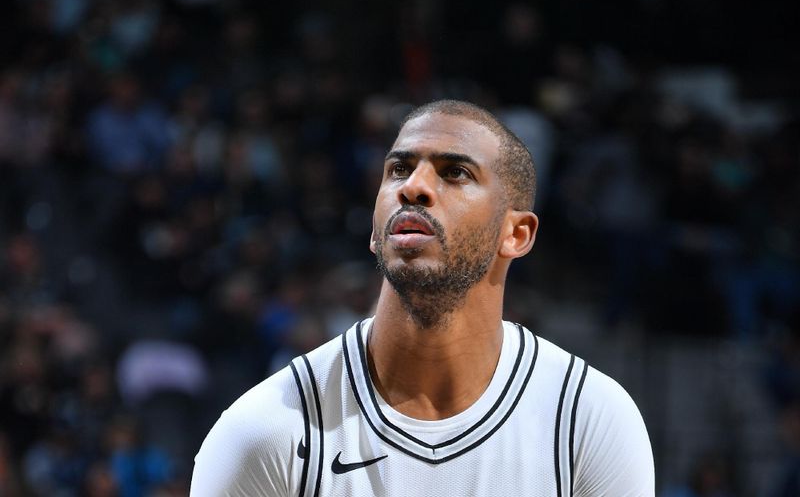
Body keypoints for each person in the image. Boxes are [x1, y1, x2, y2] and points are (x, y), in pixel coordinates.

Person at [190, 99, 655, 496]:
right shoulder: (266, 431)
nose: (413, 187)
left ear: (515, 233)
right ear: (375, 231)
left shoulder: (586, 419)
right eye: (399, 169)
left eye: (454, 172)